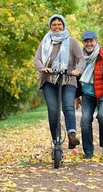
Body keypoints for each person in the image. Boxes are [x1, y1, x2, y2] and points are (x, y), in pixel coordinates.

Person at [33, 14, 85, 149]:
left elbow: (81, 59)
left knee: (68, 106)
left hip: (68, 79)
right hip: (49, 80)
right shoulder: (45, 42)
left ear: (64, 25)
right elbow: (37, 59)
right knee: (53, 110)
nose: (57, 27)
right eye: (54, 24)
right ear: (50, 26)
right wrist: (43, 68)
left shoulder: (72, 42)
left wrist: (78, 70)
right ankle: (56, 139)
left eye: (59, 24)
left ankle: (71, 135)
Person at [75, 31, 103, 159]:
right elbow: (76, 77)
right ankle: (88, 152)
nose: (89, 43)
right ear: (83, 42)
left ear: (96, 41)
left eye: (91, 41)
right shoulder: (79, 56)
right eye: (86, 41)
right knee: (85, 120)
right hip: (87, 94)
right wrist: (77, 96)